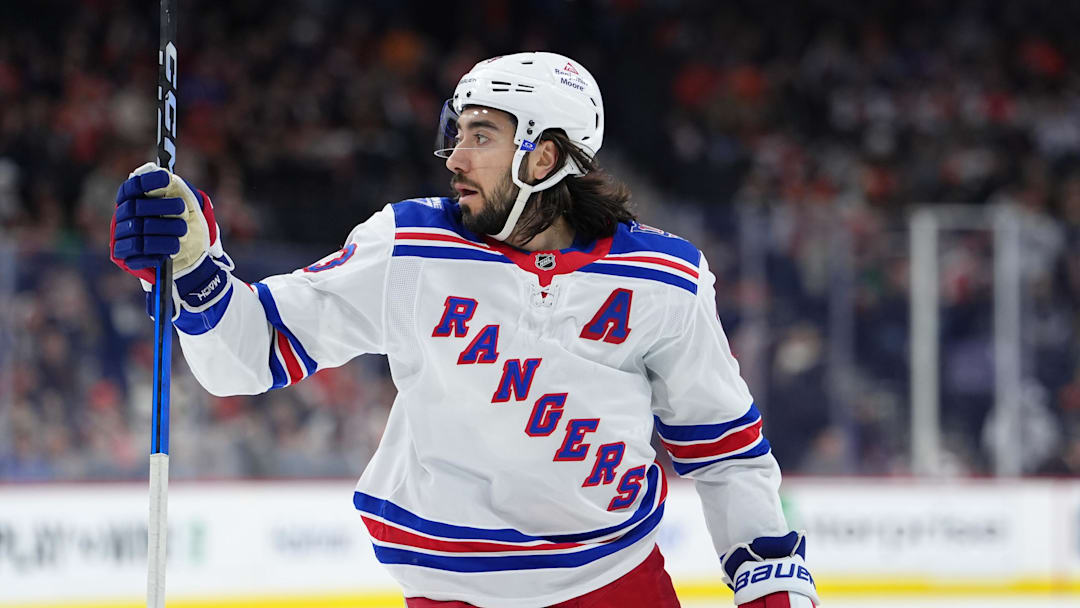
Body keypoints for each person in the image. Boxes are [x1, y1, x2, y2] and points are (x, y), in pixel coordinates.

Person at [110, 52, 818, 608]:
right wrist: (197, 270)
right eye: (457, 134)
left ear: (544, 157)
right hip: (453, 595)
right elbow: (246, 356)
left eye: (481, 135)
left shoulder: (665, 280)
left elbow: (725, 452)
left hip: (616, 585)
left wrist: (771, 587)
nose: (454, 157)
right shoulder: (409, 248)